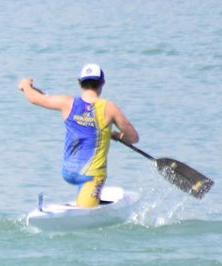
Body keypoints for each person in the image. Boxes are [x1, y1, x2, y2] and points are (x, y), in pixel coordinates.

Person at [19, 64, 139, 207]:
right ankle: (88, 203)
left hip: (68, 171)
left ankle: (87, 198)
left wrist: (26, 86)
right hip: (92, 177)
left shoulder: (67, 103)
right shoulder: (110, 108)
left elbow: (37, 98)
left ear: (79, 82)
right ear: (103, 83)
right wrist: (116, 135)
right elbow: (132, 138)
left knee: (85, 194)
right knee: (86, 209)